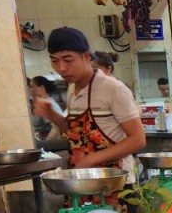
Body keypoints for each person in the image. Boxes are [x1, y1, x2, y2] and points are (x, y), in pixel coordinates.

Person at [33, 27, 145, 179]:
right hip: (83, 180)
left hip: (117, 182)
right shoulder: (73, 88)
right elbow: (75, 132)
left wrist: (92, 159)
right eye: (54, 61)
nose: (62, 68)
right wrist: (51, 114)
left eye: (68, 60)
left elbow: (138, 140)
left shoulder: (113, 88)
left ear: (86, 57)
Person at [29, 76, 64, 142]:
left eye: (32, 87)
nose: (30, 90)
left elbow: (56, 128)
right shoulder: (45, 101)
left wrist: (46, 142)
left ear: (41, 88)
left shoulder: (47, 104)